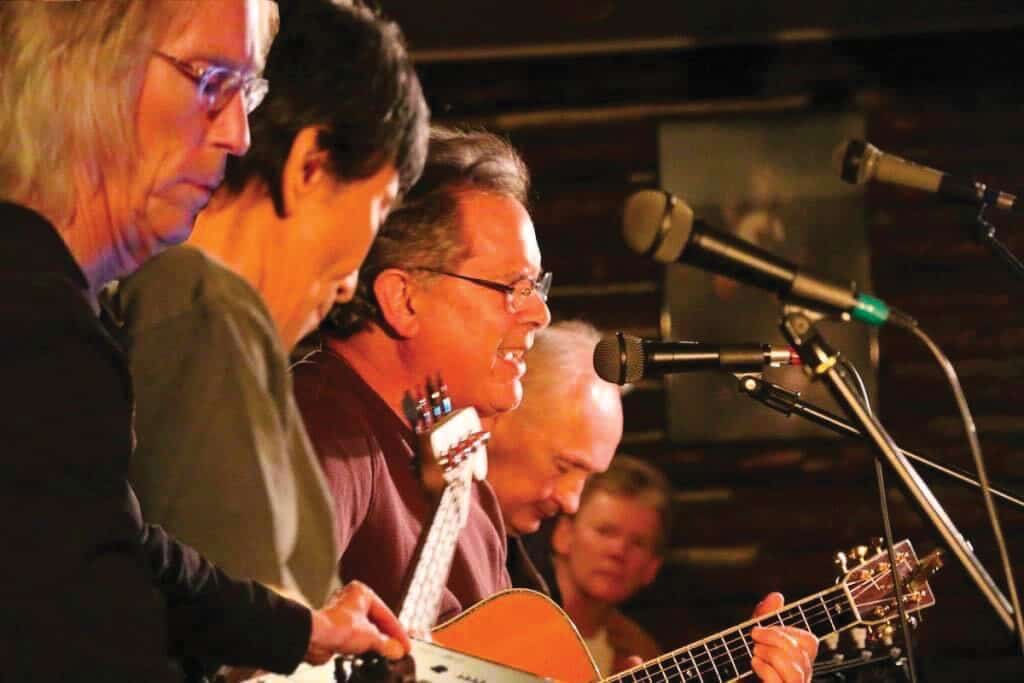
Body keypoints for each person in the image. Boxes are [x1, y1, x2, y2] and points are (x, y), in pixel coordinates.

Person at [0, 2, 406, 680]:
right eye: (212, 80)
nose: (242, 135)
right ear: (81, 69)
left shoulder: (57, 301)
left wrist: (301, 627)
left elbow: (119, 545)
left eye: (248, 92)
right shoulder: (32, 318)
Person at [103, 0, 429, 611]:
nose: (349, 283)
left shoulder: (185, 305)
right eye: (379, 207)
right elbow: (234, 635)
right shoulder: (199, 306)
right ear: (311, 164)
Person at [293, 126, 552, 624]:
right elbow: (265, 649)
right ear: (403, 299)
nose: (539, 313)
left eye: (537, 286)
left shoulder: (466, 479)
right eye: (513, 287)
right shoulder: (324, 429)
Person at [488, 322, 819, 683]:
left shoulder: (625, 641)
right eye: (564, 465)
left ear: (653, 567)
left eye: (639, 543)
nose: (569, 501)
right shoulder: (457, 536)